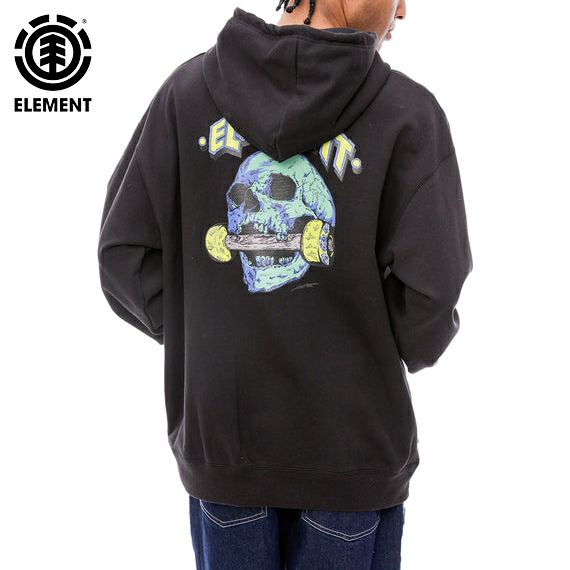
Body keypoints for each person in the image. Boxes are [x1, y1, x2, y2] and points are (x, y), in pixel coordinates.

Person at [97, 0, 473, 567]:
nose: (403, 10)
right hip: (352, 452)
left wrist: (210, 331)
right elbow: (430, 298)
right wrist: (381, 342)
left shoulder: (185, 96)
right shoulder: (408, 114)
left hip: (225, 445)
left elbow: (124, 255)